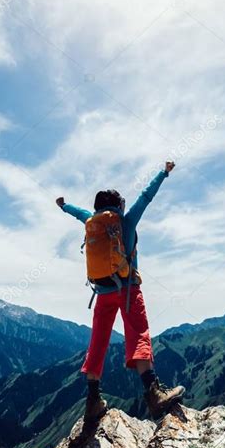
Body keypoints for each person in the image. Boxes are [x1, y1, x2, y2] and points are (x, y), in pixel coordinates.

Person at [56, 161, 185, 421]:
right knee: (138, 334)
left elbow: (77, 211)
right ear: (118, 206)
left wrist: (63, 205)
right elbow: (146, 197)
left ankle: (93, 402)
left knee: (98, 342)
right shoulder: (126, 222)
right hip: (127, 290)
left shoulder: (90, 220)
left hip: (102, 292)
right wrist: (164, 172)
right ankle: (154, 394)